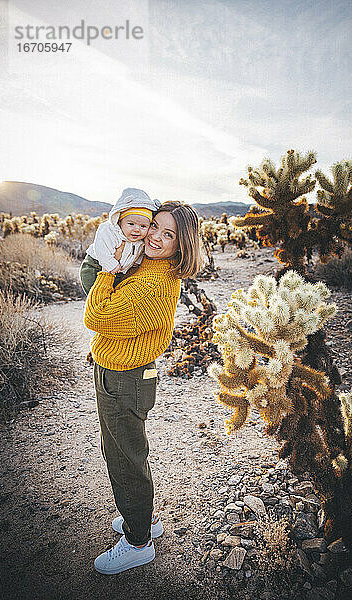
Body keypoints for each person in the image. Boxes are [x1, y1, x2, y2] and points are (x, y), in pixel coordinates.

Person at [83, 200, 202, 575]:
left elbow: (95, 316)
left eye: (169, 235)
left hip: (123, 376)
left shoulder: (152, 283)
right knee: (128, 451)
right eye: (156, 227)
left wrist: (105, 273)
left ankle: (138, 542)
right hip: (126, 372)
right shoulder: (149, 263)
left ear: (181, 245)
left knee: (124, 459)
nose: (156, 237)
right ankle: (144, 520)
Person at [79, 188, 161, 295]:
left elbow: (138, 254)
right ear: (120, 221)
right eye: (131, 224)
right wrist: (110, 264)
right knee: (95, 295)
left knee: (112, 297)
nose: (137, 229)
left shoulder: (141, 241)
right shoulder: (111, 231)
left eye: (143, 226)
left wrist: (136, 264)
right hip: (95, 266)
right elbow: (101, 248)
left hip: (119, 272)